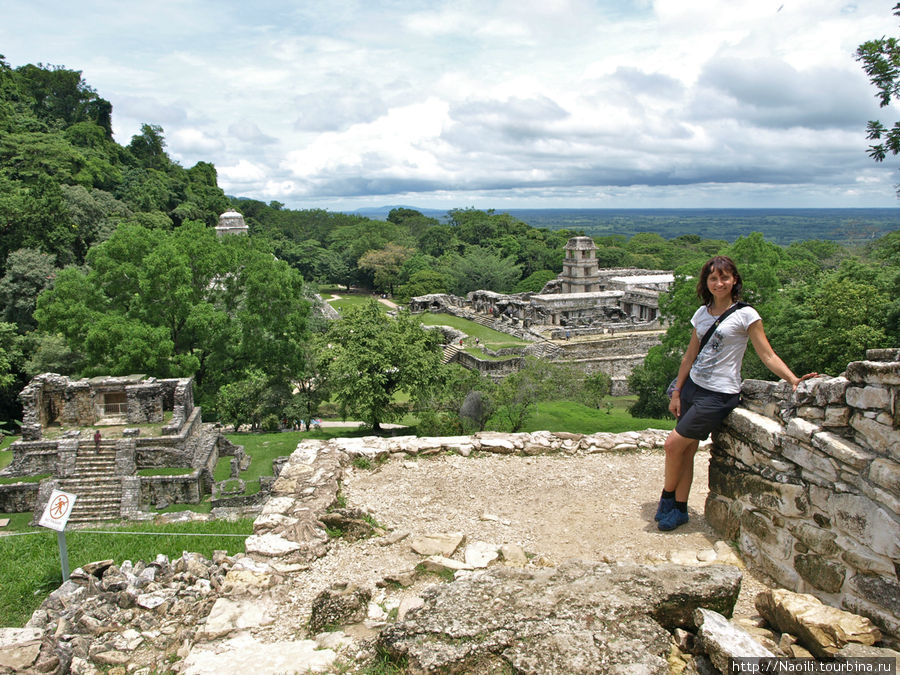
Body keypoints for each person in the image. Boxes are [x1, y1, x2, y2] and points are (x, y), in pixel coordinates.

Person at [655, 255, 817, 532]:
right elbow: (689, 356)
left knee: (672, 445)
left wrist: (792, 378)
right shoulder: (702, 313)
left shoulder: (746, 315)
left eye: (725, 277)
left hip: (719, 393)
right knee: (686, 449)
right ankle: (680, 508)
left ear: (734, 281)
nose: (719, 283)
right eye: (713, 278)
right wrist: (678, 390)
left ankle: (667, 497)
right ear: (706, 282)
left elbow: (766, 354)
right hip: (694, 386)